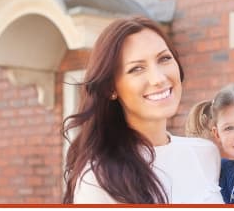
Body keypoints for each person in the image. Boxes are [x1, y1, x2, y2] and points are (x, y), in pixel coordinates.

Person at [62, 16, 223, 204]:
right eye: (137, 68)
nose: (159, 79)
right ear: (111, 88)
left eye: (164, 58)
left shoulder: (205, 154)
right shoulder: (98, 180)